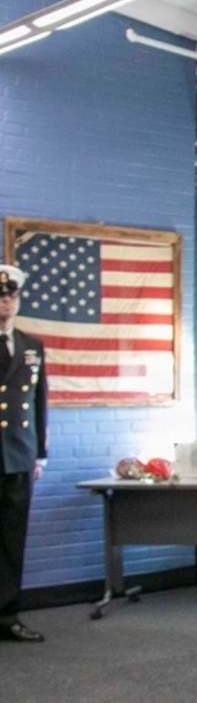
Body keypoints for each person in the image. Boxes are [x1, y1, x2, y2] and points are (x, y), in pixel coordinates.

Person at [0, 264, 47, 643]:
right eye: (1, 296)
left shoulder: (32, 346)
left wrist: (40, 454)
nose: (6, 302)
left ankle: (7, 616)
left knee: (12, 541)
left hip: (17, 456)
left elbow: (39, 403)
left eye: (12, 295)